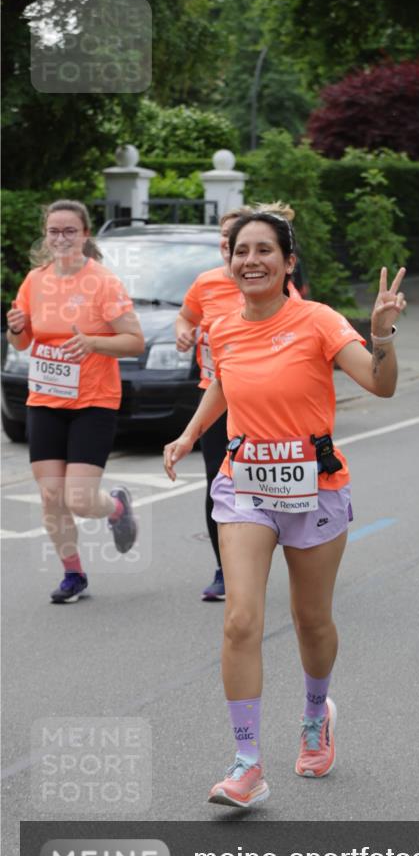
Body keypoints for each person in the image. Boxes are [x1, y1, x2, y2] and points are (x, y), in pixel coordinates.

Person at [164, 211, 405, 807]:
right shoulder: (220, 325)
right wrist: (192, 434)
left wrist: (381, 335)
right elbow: (224, 383)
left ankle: (315, 713)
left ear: (288, 262)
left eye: (265, 250)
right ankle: (247, 763)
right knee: (240, 619)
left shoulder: (318, 320)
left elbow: (381, 385)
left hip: (313, 487)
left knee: (311, 620)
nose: (250, 260)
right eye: (241, 250)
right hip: (244, 484)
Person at [5, 200, 144, 602]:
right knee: (51, 495)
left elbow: (134, 341)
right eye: (54, 231)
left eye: (70, 231)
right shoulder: (35, 280)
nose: (61, 238)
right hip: (45, 397)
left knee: (79, 499)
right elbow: (23, 340)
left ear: (85, 235)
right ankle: (74, 575)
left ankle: (116, 509)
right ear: (45, 236)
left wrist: (93, 342)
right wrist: (16, 329)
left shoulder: (103, 282)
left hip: (94, 401)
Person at [174, 203, 301, 601]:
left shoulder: (270, 282)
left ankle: (297, 547)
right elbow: (186, 315)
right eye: (228, 242)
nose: (233, 250)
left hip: (263, 399)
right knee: (219, 482)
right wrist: (183, 332)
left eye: (241, 241)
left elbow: (297, 323)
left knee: (272, 474)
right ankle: (226, 568)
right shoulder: (207, 282)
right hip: (217, 395)